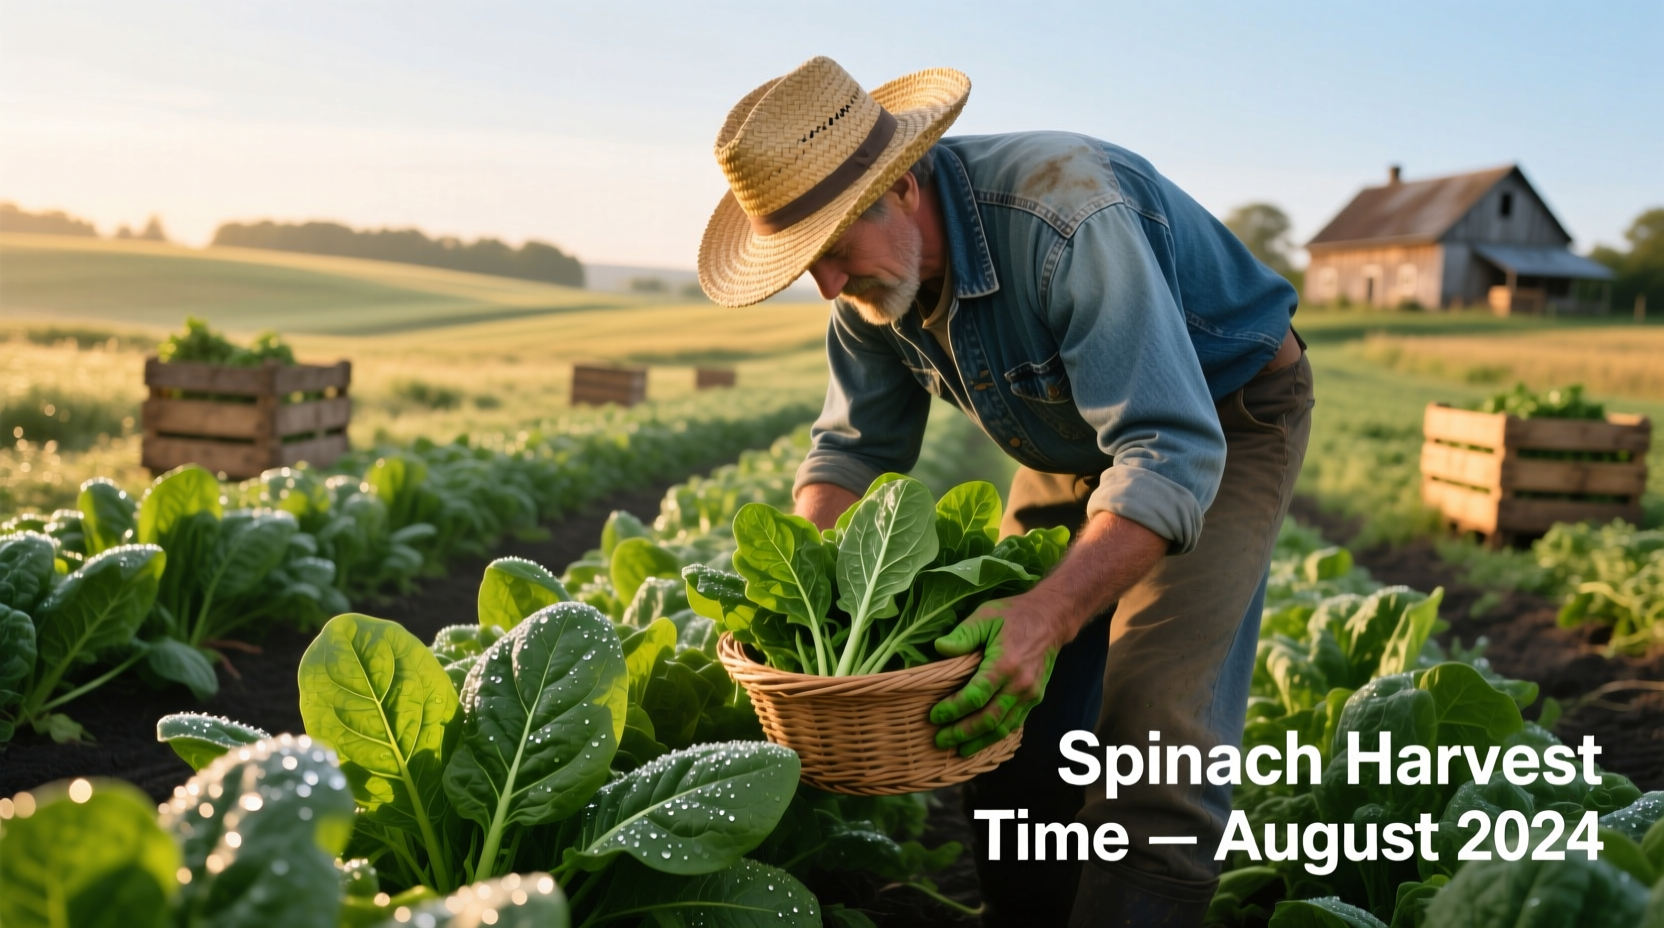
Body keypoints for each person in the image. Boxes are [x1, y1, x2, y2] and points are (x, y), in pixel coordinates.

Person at [697, 57, 1313, 928]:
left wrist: (1046, 614)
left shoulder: (1067, 215)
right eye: (806, 264)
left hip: (1217, 417)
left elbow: (1166, 452)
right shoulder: (870, 289)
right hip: (1066, 432)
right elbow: (852, 452)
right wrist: (801, 604)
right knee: (995, 706)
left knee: (1156, 726)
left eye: (833, 250)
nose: (828, 285)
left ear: (903, 186)